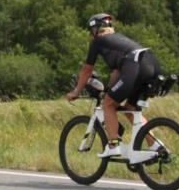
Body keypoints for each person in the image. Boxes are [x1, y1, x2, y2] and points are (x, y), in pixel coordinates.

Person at [66, 13, 161, 157]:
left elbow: (87, 70)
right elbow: (116, 74)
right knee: (130, 109)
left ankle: (113, 145)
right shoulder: (120, 39)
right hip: (152, 65)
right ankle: (155, 145)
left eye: (91, 32)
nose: (91, 35)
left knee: (108, 105)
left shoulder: (98, 41)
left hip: (134, 67)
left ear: (96, 29)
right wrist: (109, 91)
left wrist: (76, 91)